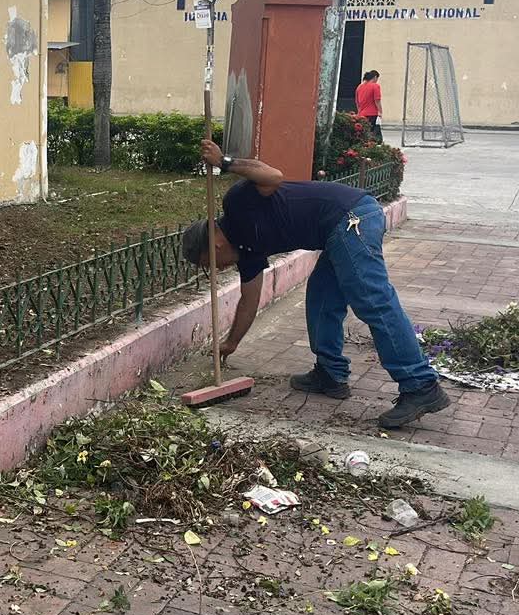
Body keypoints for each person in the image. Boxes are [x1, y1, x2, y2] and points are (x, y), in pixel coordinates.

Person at [180, 139, 449, 429]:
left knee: (373, 301)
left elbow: (273, 176)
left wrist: (225, 163)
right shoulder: (246, 253)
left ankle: (420, 385)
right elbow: (249, 300)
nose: (220, 269)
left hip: (352, 218)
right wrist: (231, 343)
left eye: (213, 264)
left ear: (215, 245)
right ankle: (330, 374)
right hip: (335, 232)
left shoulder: (237, 204)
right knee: (322, 299)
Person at [355, 70, 384, 141]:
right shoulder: (375, 86)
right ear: (375, 77)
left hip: (361, 114)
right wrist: (380, 111)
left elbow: (357, 102)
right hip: (372, 113)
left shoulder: (359, 87)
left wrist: (359, 112)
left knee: (364, 133)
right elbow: (377, 100)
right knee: (372, 133)